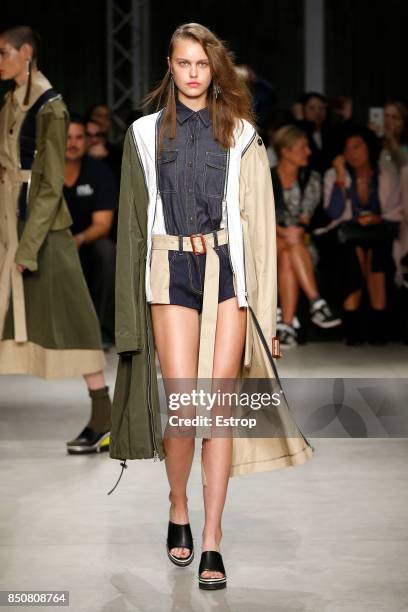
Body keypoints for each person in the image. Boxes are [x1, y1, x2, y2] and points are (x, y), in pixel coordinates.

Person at [108, 22, 314, 591]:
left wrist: (266, 316)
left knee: (216, 406)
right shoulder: (143, 135)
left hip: (226, 272)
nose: (193, 73)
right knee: (183, 404)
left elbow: (263, 231)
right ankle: (179, 509)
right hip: (170, 267)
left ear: (214, 70)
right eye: (183, 63)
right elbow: (131, 226)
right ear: (169, 69)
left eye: (202, 64)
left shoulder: (243, 135)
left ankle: (214, 540)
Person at [0, 26, 112, 454]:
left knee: (75, 321)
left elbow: (48, 186)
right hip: (11, 224)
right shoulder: (11, 101)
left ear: (26, 52)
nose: (0, 60)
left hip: (41, 230)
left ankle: (104, 417)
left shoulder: (51, 107)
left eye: (5, 52)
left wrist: (28, 246)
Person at [323, 125, 401, 344]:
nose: (351, 153)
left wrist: (378, 219)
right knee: (354, 254)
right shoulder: (335, 174)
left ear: (369, 148)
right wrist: (339, 175)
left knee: (375, 254)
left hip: (381, 234)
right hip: (344, 235)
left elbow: (397, 212)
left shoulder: (385, 172)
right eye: (347, 148)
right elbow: (334, 212)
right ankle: (354, 328)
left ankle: (376, 327)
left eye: (357, 147)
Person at [272, 125, 341, 348]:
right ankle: (316, 304)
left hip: (299, 243)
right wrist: (282, 231)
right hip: (268, 241)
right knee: (285, 245)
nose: (309, 152)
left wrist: (295, 231)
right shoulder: (265, 177)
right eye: (303, 147)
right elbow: (257, 217)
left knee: (289, 252)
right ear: (285, 150)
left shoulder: (312, 178)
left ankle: (288, 326)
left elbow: (305, 218)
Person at [63, 116, 117, 347]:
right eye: (67, 137)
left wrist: (79, 238)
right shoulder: (45, 170)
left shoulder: (99, 172)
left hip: (86, 241)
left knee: (107, 251)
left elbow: (103, 224)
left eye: (78, 137)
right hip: (52, 242)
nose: (72, 143)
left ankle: (103, 330)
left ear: (86, 141)